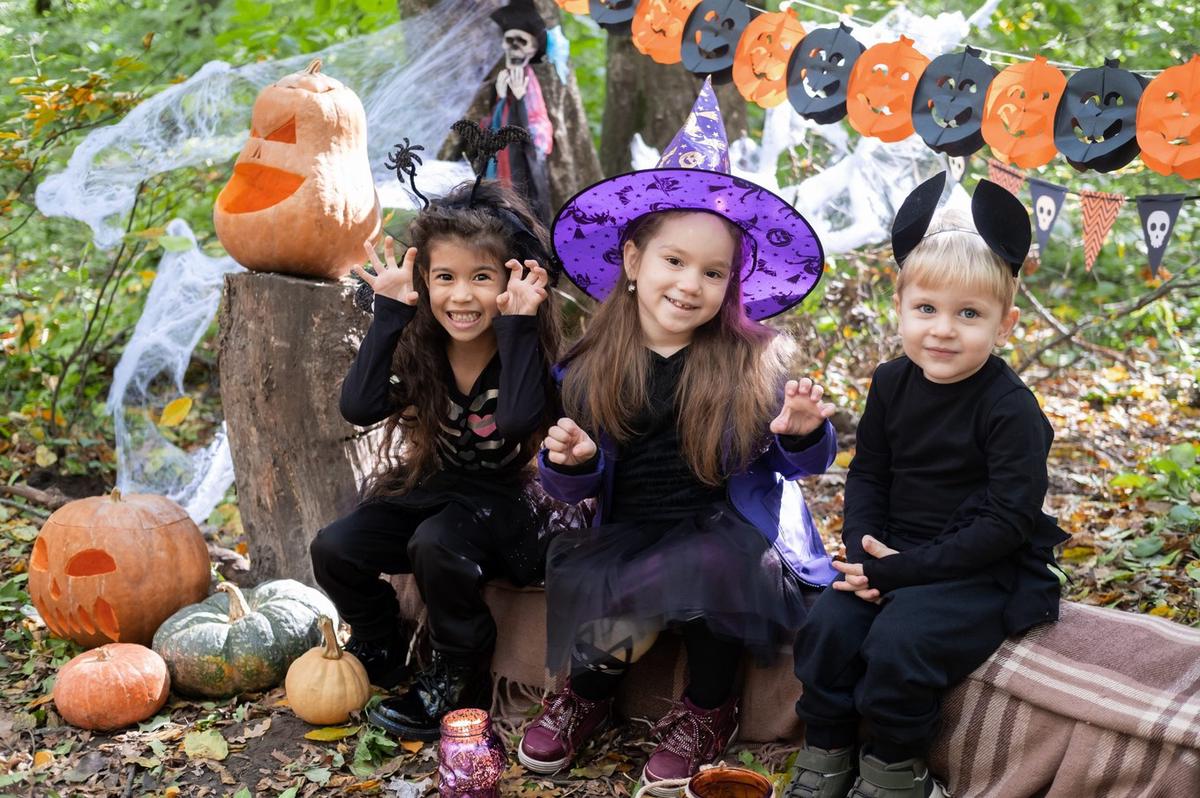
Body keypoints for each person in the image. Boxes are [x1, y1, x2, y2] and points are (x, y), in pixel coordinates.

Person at [515, 79, 839, 792]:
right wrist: (569, 462)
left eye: (713, 271)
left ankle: (707, 707)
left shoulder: (752, 360)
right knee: (607, 577)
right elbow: (581, 473)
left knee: (715, 566)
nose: (691, 284)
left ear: (733, 282)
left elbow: (788, 460)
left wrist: (804, 433)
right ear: (633, 261)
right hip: (633, 525)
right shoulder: (590, 364)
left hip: (724, 523)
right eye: (674, 261)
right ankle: (590, 695)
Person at [783, 173, 1069, 798]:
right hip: (892, 553)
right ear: (902, 308)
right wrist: (862, 549)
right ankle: (827, 752)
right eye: (927, 309)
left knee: (899, 644)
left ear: (1006, 322)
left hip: (977, 568)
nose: (942, 330)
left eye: (969, 314)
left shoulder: (1011, 410)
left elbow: (1005, 523)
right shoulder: (891, 382)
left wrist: (901, 573)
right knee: (828, 628)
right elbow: (870, 472)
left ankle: (894, 769)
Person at [309, 134, 562, 741]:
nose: (462, 295)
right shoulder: (423, 349)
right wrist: (389, 313)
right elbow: (358, 405)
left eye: (482, 277)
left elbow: (518, 422)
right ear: (424, 279)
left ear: (512, 279)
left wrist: (520, 325)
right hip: (444, 490)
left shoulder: (523, 351)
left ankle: (457, 668)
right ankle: (381, 644)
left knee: (436, 543)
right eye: (444, 277)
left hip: (509, 506)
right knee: (335, 546)